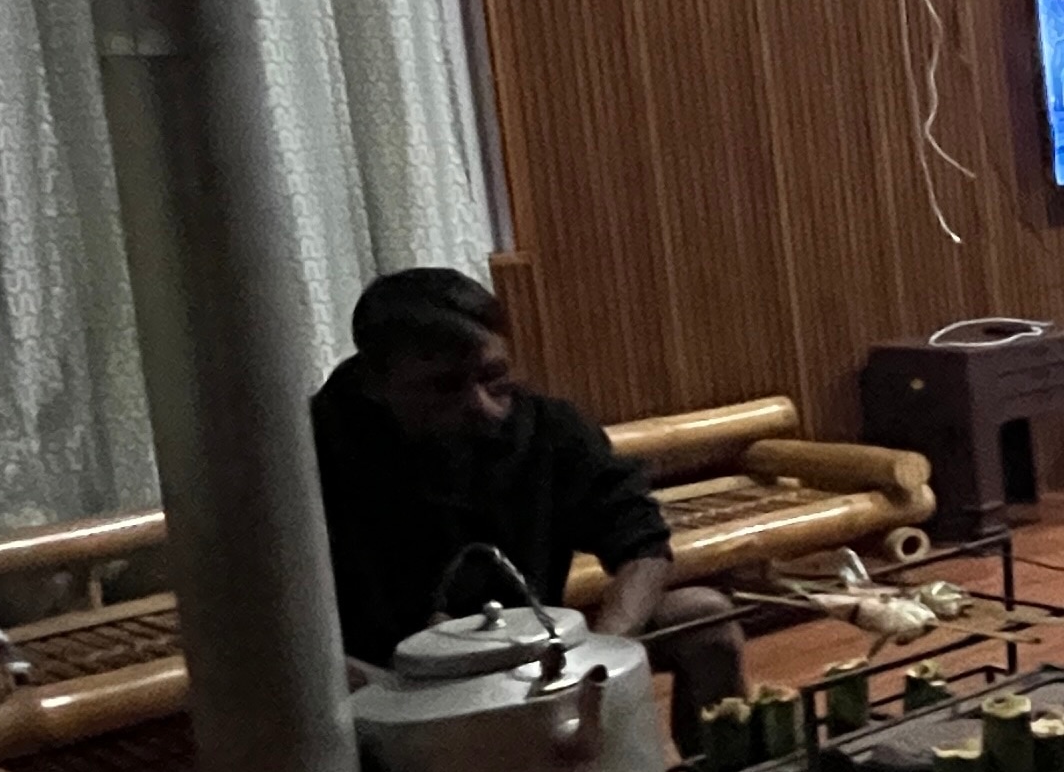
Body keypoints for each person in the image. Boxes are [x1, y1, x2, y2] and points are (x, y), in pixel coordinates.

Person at [309, 268, 745, 736]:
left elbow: (642, 544)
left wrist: (599, 654)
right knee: (313, 684)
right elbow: (273, 623)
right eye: (445, 387)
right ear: (375, 382)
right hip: (386, 680)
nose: (483, 406)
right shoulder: (308, 451)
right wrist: (388, 690)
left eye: (493, 378)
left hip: (533, 657)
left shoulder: (545, 428)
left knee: (705, 620)